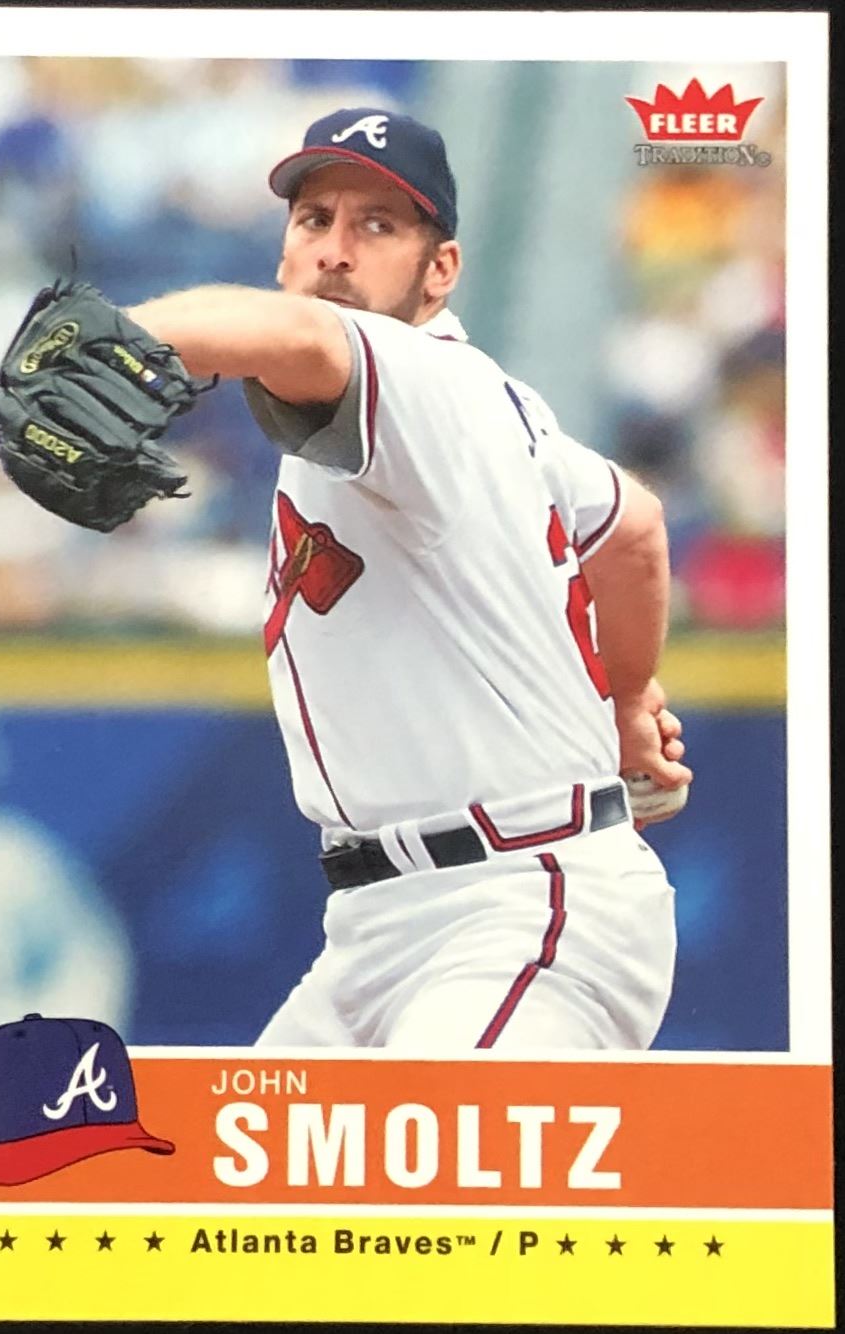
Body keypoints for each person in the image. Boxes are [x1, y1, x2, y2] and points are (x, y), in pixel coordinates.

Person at [128, 106, 693, 1051]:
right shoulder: (485, 403)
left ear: (440, 271)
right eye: (315, 220)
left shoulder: (415, 376)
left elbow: (299, 337)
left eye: (377, 225)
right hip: (378, 927)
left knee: (428, 1154)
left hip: (520, 901)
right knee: (255, 1152)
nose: (335, 249)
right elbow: (631, 524)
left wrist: (115, 336)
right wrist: (627, 696)